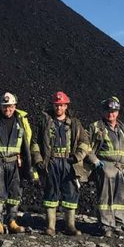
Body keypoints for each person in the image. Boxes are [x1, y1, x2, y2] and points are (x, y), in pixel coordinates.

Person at [32, 91, 90, 236]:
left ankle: (70, 226)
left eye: (61, 105)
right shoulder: (45, 122)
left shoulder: (75, 123)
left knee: (71, 193)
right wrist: (38, 159)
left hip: (69, 162)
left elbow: (84, 142)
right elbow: (35, 142)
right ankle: (50, 226)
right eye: (56, 105)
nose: (59, 108)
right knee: (51, 192)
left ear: (66, 106)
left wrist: (77, 157)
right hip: (51, 162)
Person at [0, 92, 37, 234]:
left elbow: (27, 141)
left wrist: (28, 163)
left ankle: (12, 221)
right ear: (0, 106)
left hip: (15, 161)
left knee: (15, 192)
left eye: (10, 106)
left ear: (15, 106)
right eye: (5, 106)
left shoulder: (21, 121)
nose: (8, 109)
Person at [86, 96, 124, 237]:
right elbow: (87, 146)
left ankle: (118, 224)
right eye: (108, 110)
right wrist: (95, 161)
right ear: (103, 111)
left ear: (118, 112)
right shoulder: (96, 127)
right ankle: (106, 225)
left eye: (114, 111)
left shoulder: (123, 128)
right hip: (105, 166)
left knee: (121, 198)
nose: (111, 113)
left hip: (121, 167)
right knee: (106, 197)